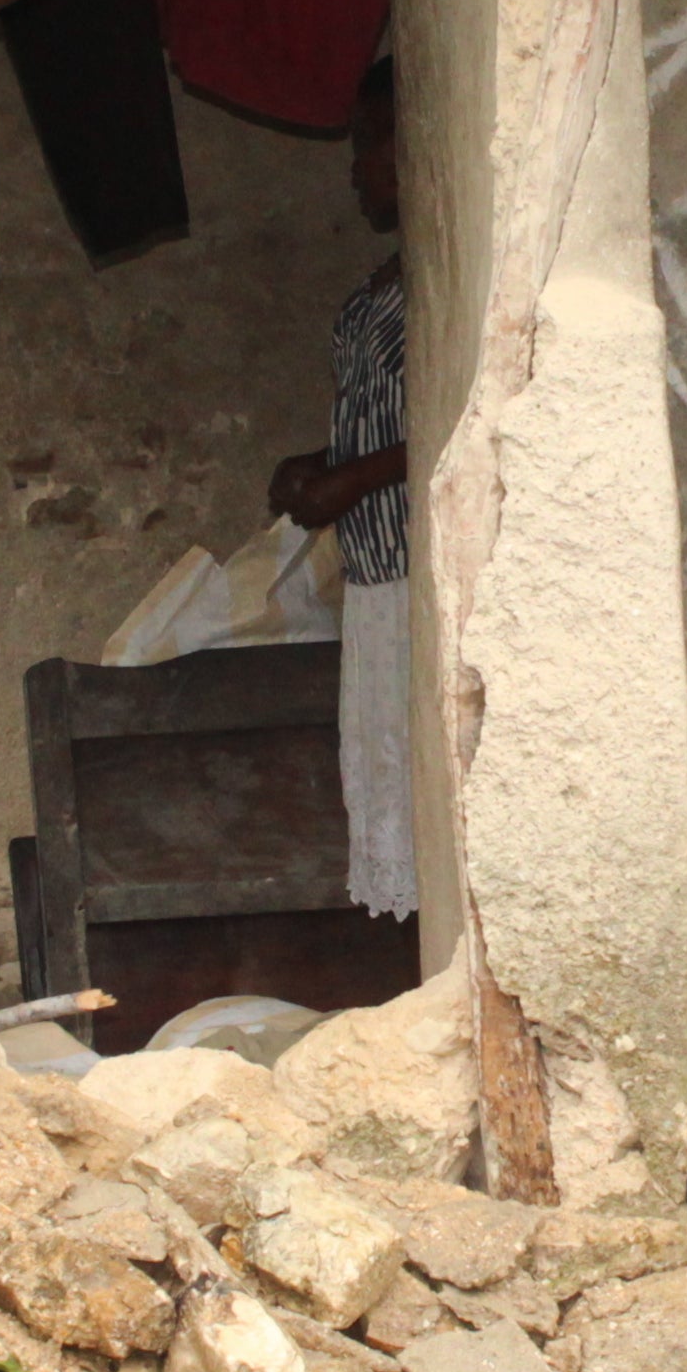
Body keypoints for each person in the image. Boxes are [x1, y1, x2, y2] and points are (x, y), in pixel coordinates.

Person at [269, 59, 412, 919]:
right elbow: (386, 419)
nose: (358, 170)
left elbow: (455, 416)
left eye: (372, 147)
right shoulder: (373, 297)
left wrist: (350, 480)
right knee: (392, 770)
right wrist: (317, 464)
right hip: (376, 574)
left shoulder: (446, 282)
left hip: (424, 569)